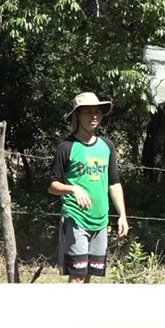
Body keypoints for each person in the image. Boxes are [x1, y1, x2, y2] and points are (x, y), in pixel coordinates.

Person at [49, 92, 130, 283]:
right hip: (75, 220)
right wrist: (73, 189)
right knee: (77, 276)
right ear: (77, 115)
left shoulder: (107, 145)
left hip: (100, 221)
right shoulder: (67, 147)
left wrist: (122, 216)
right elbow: (52, 185)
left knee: (89, 276)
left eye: (97, 111)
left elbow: (114, 182)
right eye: (88, 112)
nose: (94, 116)